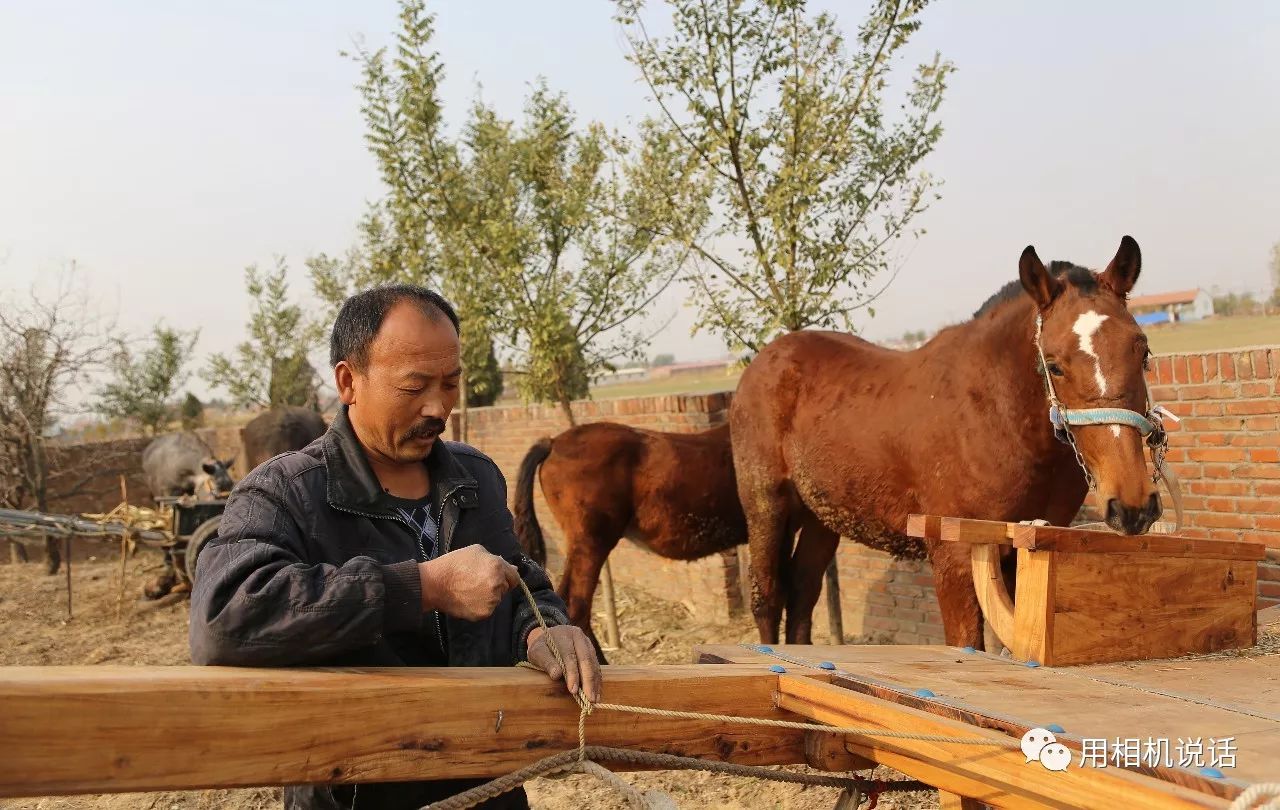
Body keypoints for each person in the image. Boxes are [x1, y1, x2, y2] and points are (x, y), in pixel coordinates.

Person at [189, 284, 602, 810]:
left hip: (485, 785)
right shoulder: (285, 492)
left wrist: (541, 630)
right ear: (348, 381)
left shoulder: (474, 477)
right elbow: (223, 618)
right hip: (354, 791)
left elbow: (520, 579)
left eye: (451, 383)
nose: (438, 407)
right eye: (414, 387)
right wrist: (421, 587)